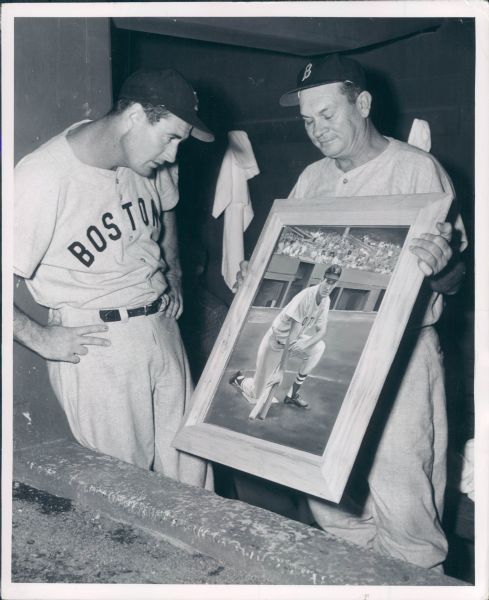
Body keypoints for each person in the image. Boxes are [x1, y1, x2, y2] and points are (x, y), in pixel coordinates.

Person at [235, 55, 467, 570]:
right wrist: (257, 271)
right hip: (327, 349)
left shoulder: (416, 170)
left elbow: (455, 281)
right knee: (329, 498)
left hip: (401, 354)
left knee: (404, 492)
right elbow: (287, 257)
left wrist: (443, 266)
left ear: (361, 104)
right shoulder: (312, 179)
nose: (316, 130)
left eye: (328, 115)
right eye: (307, 120)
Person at [13, 68, 215, 489]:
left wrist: (173, 270)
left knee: (198, 487)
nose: (174, 155)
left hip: (161, 326)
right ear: (137, 116)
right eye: (171, 137)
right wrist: (40, 337)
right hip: (100, 342)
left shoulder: (147, 163)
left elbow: (169, 207)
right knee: (129, 494)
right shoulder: (42, 175)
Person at [230, 265, 341, 408]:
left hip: (292, 343)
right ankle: (240, 379)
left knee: (319, 347)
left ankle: (292, 395)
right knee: (256, 394)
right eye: (328, 281)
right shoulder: (306, 297)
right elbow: (293, 333)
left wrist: (305, 345)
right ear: (322, 279)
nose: (329, 286)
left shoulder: (326, 300)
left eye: (334, 282)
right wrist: (281, 370)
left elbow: (322, 331)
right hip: (276, 344)